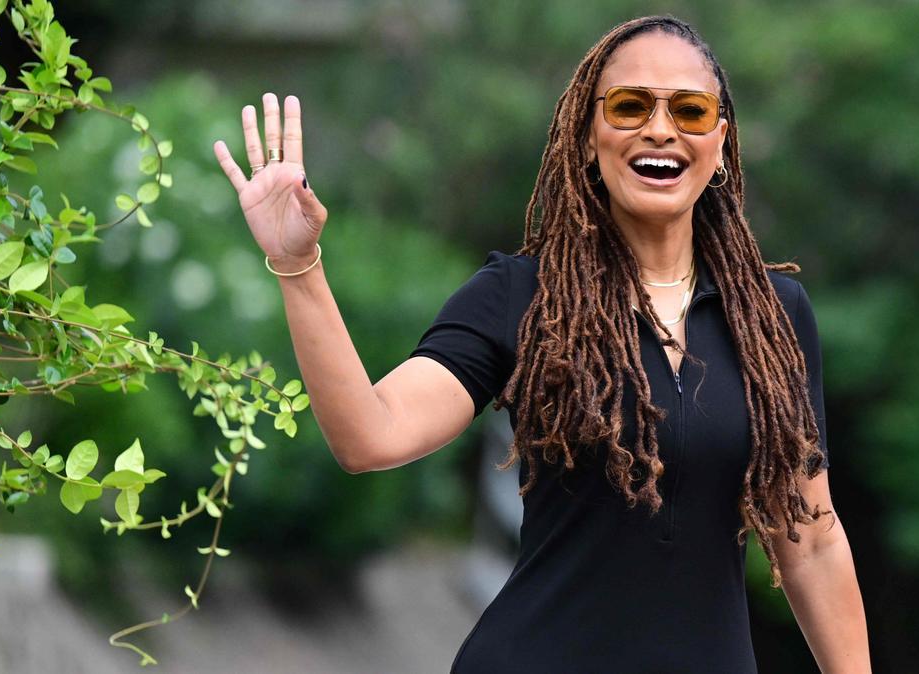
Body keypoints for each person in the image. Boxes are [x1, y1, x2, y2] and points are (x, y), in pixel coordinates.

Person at [213, 14, 870, 673]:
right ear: (588, 135)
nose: (661, 129)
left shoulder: (772, 319)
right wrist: (301, 266)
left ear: (721, 142)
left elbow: (810, 541)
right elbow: (370, 436)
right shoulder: (522, 298)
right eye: (630, 106)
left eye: (690, 110)